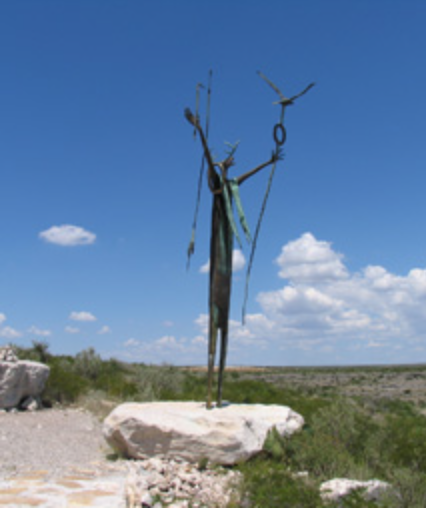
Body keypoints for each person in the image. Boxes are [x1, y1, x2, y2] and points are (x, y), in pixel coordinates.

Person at [185, 108, 281, 408]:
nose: (225, 168)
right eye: (222, 165)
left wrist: (270, 161)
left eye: (227, 166)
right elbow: (205, 155)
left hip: (227, 255)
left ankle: (218, 390)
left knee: (224, 320)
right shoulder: (216, 187)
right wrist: (199, 130)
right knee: (215, 316)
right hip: (217, 250)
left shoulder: (231, 186)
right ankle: (210, 394)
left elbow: (247, 175)